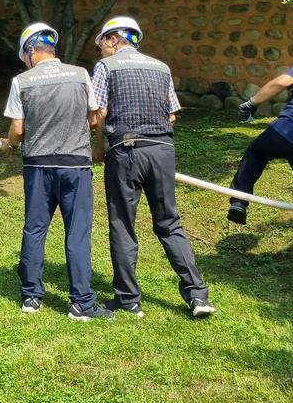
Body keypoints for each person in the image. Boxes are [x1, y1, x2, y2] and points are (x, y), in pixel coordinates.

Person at [91, 16, 216, 318]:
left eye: (101, 45)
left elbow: (98, 113)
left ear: (112, 40)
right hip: (163, 150)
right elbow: (172, 115)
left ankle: (128, 300)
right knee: (169, 223)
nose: (100, 52)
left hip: (126, 151)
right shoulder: (162, 67)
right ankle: (197, 295)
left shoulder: (105, 67)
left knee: (122, 224)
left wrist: (98, 147)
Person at [3, 23, 112, 320]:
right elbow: (94, 118)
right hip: (75, 165)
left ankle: (31, 297)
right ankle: (81, 303)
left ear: (29, 50)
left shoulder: (21, 81)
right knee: (77, 232)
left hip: (38, 165)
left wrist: (9, 144)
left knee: (35, 229)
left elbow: (17, 130)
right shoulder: (80, 74)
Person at [228, 56, 293, 296]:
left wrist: (251, 102)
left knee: (256, 152)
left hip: (286, 132)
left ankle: (239, 200)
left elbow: (281, 81)